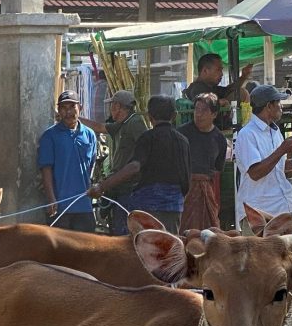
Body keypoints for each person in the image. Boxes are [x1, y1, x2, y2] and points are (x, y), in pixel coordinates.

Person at [88, 96, 190, 233]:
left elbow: (134, 166)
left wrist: (103, 186)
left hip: (148, 205)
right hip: (173, 205)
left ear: (149, 116)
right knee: (168, 245)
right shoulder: (183, 141)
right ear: (174, 115)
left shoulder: (147, 137)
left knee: (142, 244)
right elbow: (186, 178)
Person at [233, 84, 292, 228]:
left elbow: (279, 170)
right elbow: (255, 173)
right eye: (279, 103)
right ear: (269, 106)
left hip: (283, 209)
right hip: (259, 215)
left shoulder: (275, 132)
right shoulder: (247, 134)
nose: (281, 107)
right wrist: (282, 150)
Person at [83, 90, 148, 233]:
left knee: (124, 232)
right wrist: (76, 119)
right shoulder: (121, 124)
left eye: (112, 105)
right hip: (119, 186)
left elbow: (146, 149)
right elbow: (99, 127)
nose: (110, 109)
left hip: (130, 187)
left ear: (118, 106)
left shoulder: (135, 122)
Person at [38, 90, 98, 232]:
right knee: (60, 252)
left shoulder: (89, 135)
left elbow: (91, 165)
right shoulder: (49, 136)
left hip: (84, 205)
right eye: (64, 108)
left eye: (72, 107)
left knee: (85, 250)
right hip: (60, 206)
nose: (68, 112)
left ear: (80, 108)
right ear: (59, 110)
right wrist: (51, 198)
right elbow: (46, 169)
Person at [179, 93, 229, 232]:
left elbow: (218, 169)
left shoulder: (219, 138)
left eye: (204, 110)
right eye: (197, 109)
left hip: (207, 191)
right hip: (184, 192)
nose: (199, 114)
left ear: (214, 114)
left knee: (210, 232)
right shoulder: (182, 134)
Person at [183, 52, 254, 104]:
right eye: (218, 70)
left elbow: (229, 90)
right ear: (205, 71)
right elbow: (201, 101)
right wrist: (218, 103)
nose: (221, 74)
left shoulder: (212, 87)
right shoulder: (197, 88)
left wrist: (243, 76)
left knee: (241, 92)